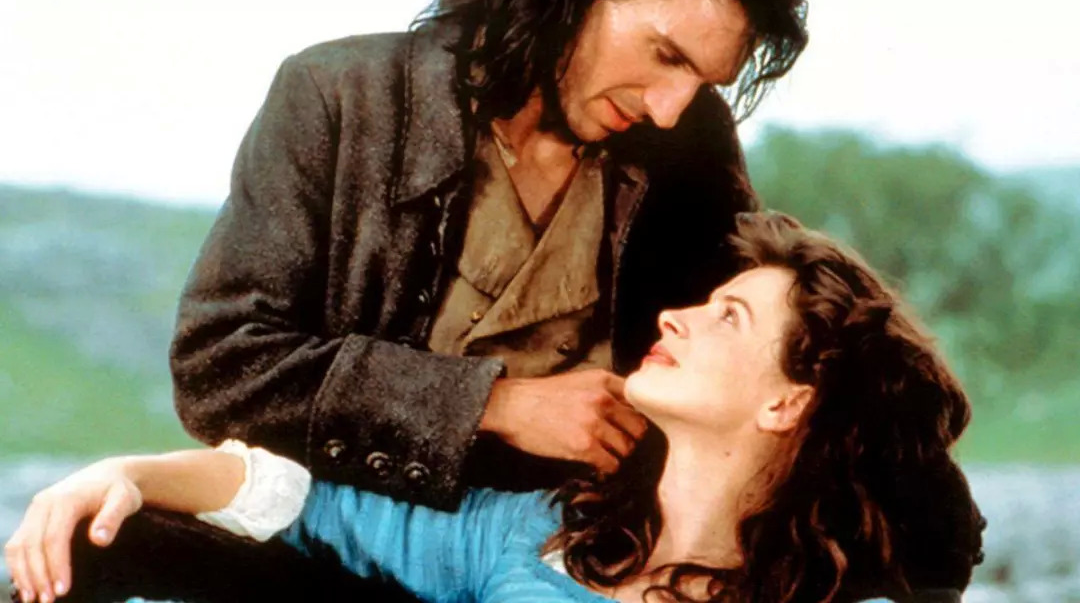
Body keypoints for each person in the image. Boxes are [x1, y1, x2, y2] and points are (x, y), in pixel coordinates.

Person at [7, 213, 986, 603]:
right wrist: (121, 473)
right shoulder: (548, 537)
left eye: (729, 316)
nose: (676, 316)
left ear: (787, 400)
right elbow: (300, 498)